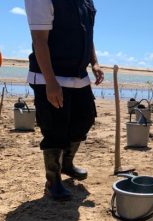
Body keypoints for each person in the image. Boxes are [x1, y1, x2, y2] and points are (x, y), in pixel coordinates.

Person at [24, 0, 104, 201]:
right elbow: (39, 40)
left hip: (78, 76)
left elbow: (86, 33)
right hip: (49, 76)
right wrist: (51, 82)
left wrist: (94, 62)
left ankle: (67, 163)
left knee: (85, 119)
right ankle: (53, 179)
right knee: (54, 128)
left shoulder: (86, 1)